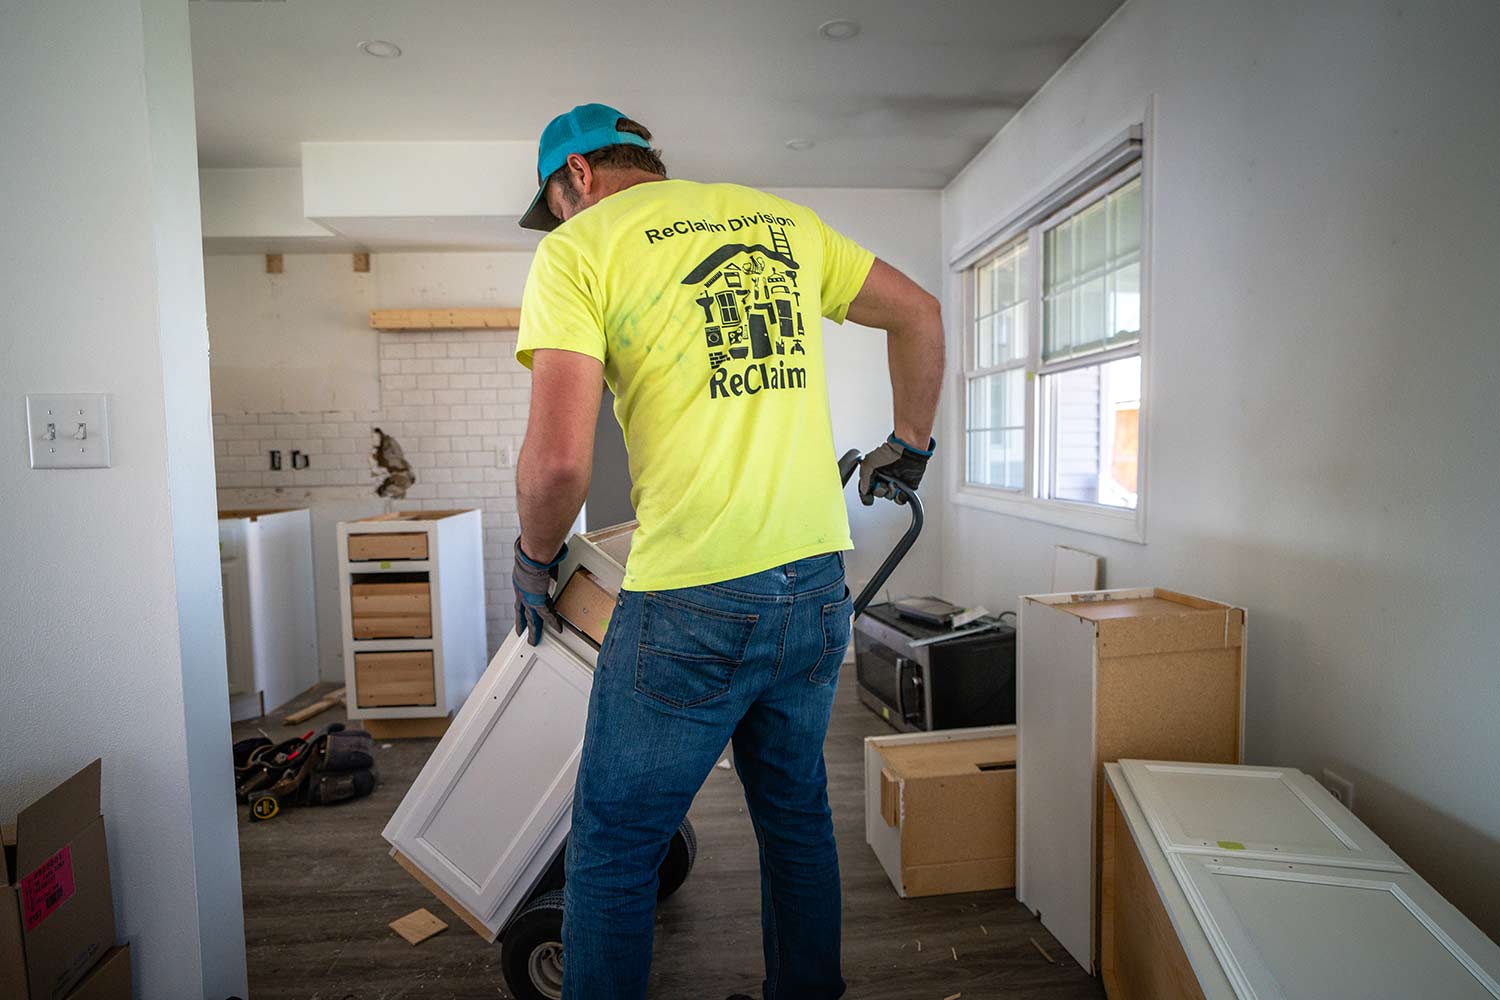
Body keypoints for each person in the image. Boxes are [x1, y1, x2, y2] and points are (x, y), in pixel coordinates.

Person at [511, 102, 944, 1000]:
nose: (556, 219)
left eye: (553, 202)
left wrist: (532, 555)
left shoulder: (578, 249)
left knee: (616, 852)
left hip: (693, 598)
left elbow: (557, 461)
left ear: (578, 177)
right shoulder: (778, 221)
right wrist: (911, 442)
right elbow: (920, 313)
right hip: (817, 584)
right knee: (796, 823)